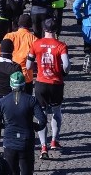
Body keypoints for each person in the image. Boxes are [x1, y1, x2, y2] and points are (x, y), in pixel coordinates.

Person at [27, 18, 70, 159]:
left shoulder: (36, 44)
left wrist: (38, 68)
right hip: (56, 84)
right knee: (56, 112)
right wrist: (63, 71)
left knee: (42, 115)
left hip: (41, 83)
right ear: (56, 29)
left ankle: (43, 146)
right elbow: (66, 65)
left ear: (43, 29)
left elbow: (28, 65)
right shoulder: (61, 45)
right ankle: (54, 141)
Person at [0, 71, 46, 175]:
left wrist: (4, 126)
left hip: (9, 142)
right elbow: (43, 120)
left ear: (11, 84)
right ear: (24, 84)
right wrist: (35, 126)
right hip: (26, 142)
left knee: (11, 172)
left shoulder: (2, 102)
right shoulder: (32, 100)